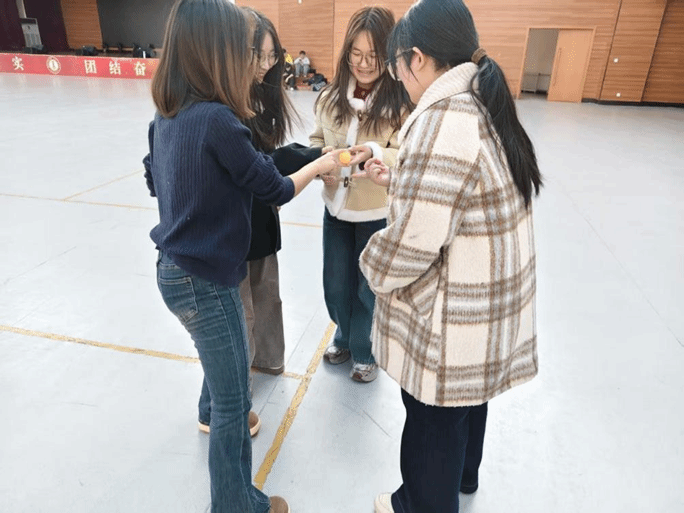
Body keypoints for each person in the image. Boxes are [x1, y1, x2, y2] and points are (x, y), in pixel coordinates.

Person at [142, 1, 339, 512]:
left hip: (172, 271)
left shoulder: (168, 116)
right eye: (241, 49)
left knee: (226, 386)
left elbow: (154, 180)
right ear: (216, 53)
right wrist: (322, 164)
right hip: (207, 282)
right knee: (234, 401)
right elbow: (275, 188)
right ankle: (236, 505)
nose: (251, 61)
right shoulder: (218, 120)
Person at [357, 0, 543, 511]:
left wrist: (371, 267)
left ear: (416, 58)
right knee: (466, 401)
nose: (399, 79)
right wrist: (400, 179)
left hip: (455, 311)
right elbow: (462, 192)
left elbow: (415, 240)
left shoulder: (442, 118)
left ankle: (419, 504)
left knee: (431, 421)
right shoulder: (482, 101)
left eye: (397, 66)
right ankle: (465, 476)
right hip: (486, 304)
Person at [196, 6, 324, 436]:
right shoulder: (218, 108)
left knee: (266, 297)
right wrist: (314, 163)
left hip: (260, 223)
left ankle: (263, 364)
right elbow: (264, 172)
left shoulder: (259, 98)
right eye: (258, 55)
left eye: (272, 57)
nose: (265, 66)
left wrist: (313, 157)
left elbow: (269, 162)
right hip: (232, 232)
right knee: (238, 320)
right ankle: (217, 406)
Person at [309, 6, 413, 383]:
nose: (364, 64)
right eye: (356, 54)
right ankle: (343, 334)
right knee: (336, 285)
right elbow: (316, 139)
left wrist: (374, 151)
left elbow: (407, 155)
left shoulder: (401, 104)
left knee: (367, 288)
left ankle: (364, 348)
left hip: (375, 212)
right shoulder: (329, 97)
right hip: (335, 208)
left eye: (373, 55)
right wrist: (320, 160)